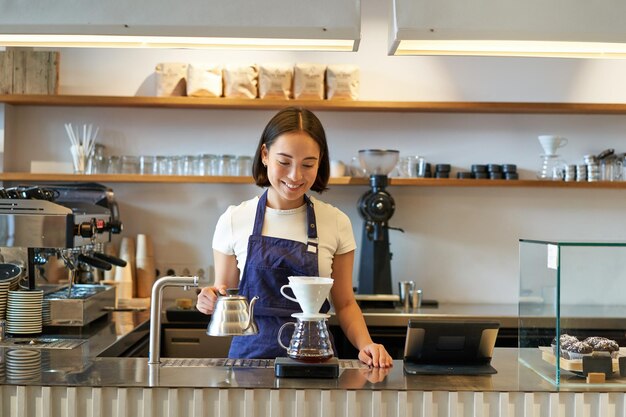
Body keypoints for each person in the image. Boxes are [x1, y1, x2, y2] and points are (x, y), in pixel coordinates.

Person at [196, 106, 393, 368]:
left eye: (308, 164)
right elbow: (225, 294)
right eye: (284, 162)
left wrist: (366, 344)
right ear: (265, 155)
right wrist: (209, 298)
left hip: (317, 363)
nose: (295, 176)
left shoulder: (336, 222)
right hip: (248, 364)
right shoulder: (233, 220)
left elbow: (345, 304)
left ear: (320, 161)